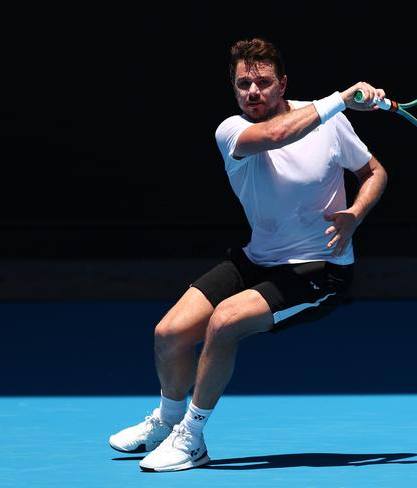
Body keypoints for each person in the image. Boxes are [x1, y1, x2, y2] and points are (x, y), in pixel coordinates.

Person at [108, 37, 388, 472]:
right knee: (169, 333)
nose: (253, 92)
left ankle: (193, 438)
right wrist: (343, 98)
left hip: (320, 268)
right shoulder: (233, 131)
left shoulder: (331, 121)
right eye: (244, 85)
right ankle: (166, 422)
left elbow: (373, 172)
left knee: (224, 323)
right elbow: (278, 134)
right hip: (257, 258)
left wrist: (355, 212)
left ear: (282, 84)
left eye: (263, 83)